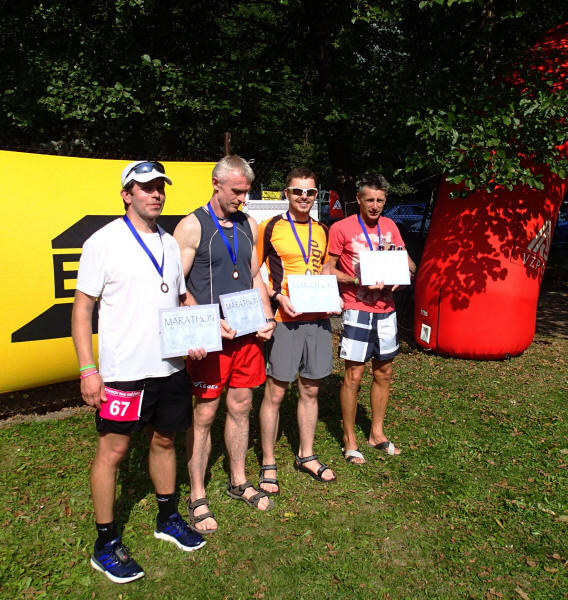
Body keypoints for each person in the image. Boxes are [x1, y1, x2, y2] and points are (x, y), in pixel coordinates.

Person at [71, 161, 206, 584]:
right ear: (126, 194)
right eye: (146, 187)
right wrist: (88, 369)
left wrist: (199, 329)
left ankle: (168, 518)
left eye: (160, 187)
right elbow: (82, 309)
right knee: (112, 451)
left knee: (165, 440)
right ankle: (105, 543)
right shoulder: (103, 242)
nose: (156, 194)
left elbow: (180, 298)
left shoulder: (169, 242)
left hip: (170, 366)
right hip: (123, 371)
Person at [173, 155, 276, 535]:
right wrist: (208, 323)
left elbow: (254, 276)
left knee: (241, 405)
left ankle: (238, 479)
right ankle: (197, 494)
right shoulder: (191, 226)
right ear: (216, 184)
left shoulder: (249, 224)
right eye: (237, 191)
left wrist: (267, 317)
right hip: (210, 340)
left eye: (246, 192)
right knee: (204, 415)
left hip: (246, 337)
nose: (243, 199)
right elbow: (177, 288)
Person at [256, 167, 337, 496]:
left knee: (310, 390)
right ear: (286, 194)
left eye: (310, 192)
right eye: (297, 191)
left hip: (318, 320)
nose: (304, 197)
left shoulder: (322, 229)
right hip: (285, 319)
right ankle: (268, 462)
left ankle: (306, 454)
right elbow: (253, 273)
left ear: (316, 195)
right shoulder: (269, 227)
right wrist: (276, 297)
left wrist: (332, 295)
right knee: (276, 393)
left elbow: (326, 268)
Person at [328, 173, 416, 465]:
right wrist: (357, 279)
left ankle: (376, 433)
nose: (375, 206)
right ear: (359, 199)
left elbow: (409, 263)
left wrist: (403, 274)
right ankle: (349, 438)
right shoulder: (341, 228)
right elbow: (328, 270)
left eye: (380, 200)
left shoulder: (391, 227)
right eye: (369, 200)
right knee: (354, 375)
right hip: (357, 308)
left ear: (385, 200)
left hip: (387, 310)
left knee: (384, 373)